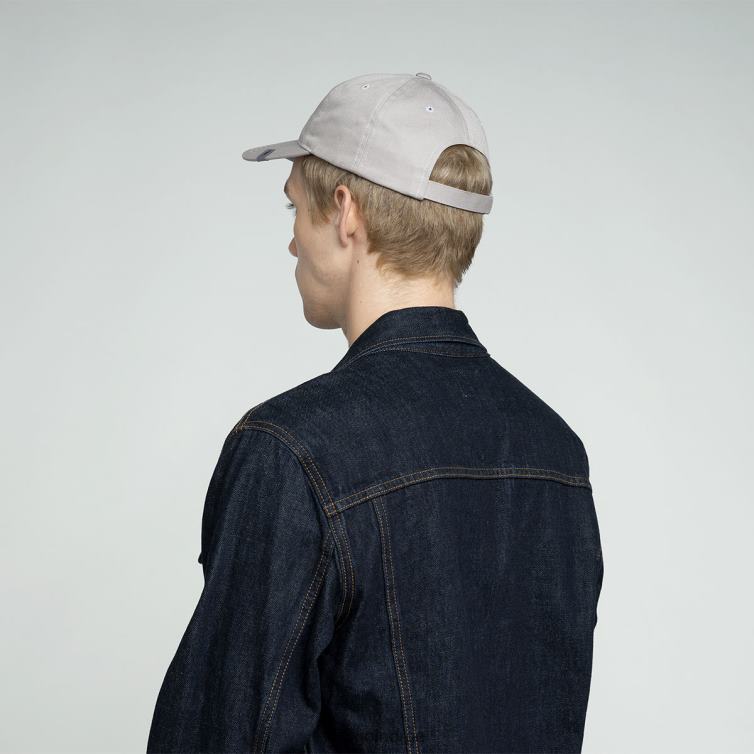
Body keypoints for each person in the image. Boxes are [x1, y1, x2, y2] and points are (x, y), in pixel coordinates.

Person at [146, 71, 604, 754]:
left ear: (346, 212)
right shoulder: (557, 453)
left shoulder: (292, 449)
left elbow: (223, 735)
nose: (292, 241)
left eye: (293, 208)